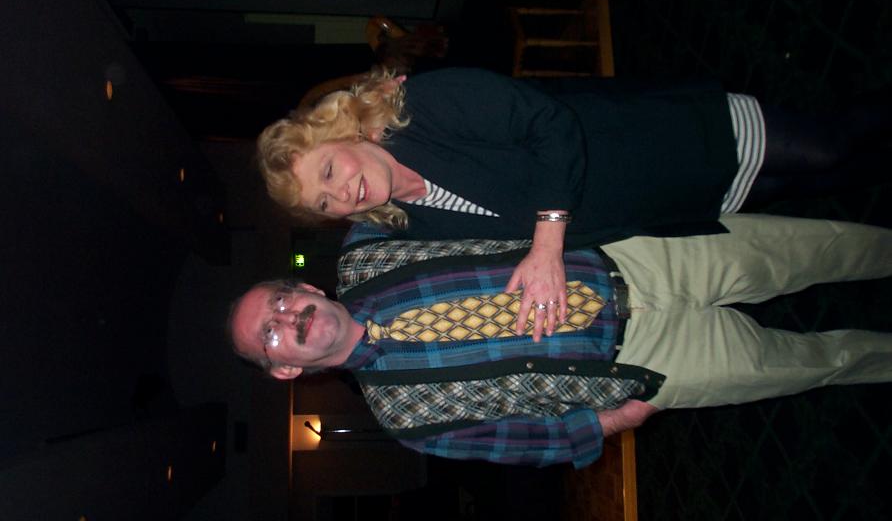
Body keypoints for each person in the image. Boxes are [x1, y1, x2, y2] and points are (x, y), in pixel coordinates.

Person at [257, 67, 889, 336]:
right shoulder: (410, 222)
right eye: (325, 202)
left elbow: (549, 123)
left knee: (829, 146)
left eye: (329, 170)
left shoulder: (422, 108)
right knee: (821, 182)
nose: (341, 192)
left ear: (343, 132)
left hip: (668, 144)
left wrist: (547, 243)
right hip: (660, 203)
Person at [229, 214, 892, 468]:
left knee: (811, 247)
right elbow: (520, 441)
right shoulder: (405, 418)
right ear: (284, 369)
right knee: (814, 364)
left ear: (306, 289)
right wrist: (610, 423)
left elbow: (439, 176)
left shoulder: (368, 247)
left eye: (281, 301)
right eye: (271, 335)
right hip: (644, 365)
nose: (288, 319)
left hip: (635, 256)